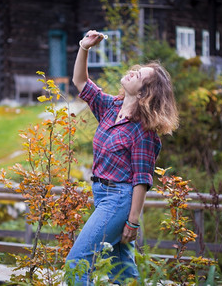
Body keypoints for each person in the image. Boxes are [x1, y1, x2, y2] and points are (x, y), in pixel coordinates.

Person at [65, 30, 179, 285]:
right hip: (101, 195)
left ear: (143, 93)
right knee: (122, 271)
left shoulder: (144, 131)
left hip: (118, 200)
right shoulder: (110, 107)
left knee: (77, 262)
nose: (131, 72)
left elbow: (142, 179)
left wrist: (133, 221)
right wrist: (84, 47)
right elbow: (80, 82)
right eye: (135, 70)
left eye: (138, 75)